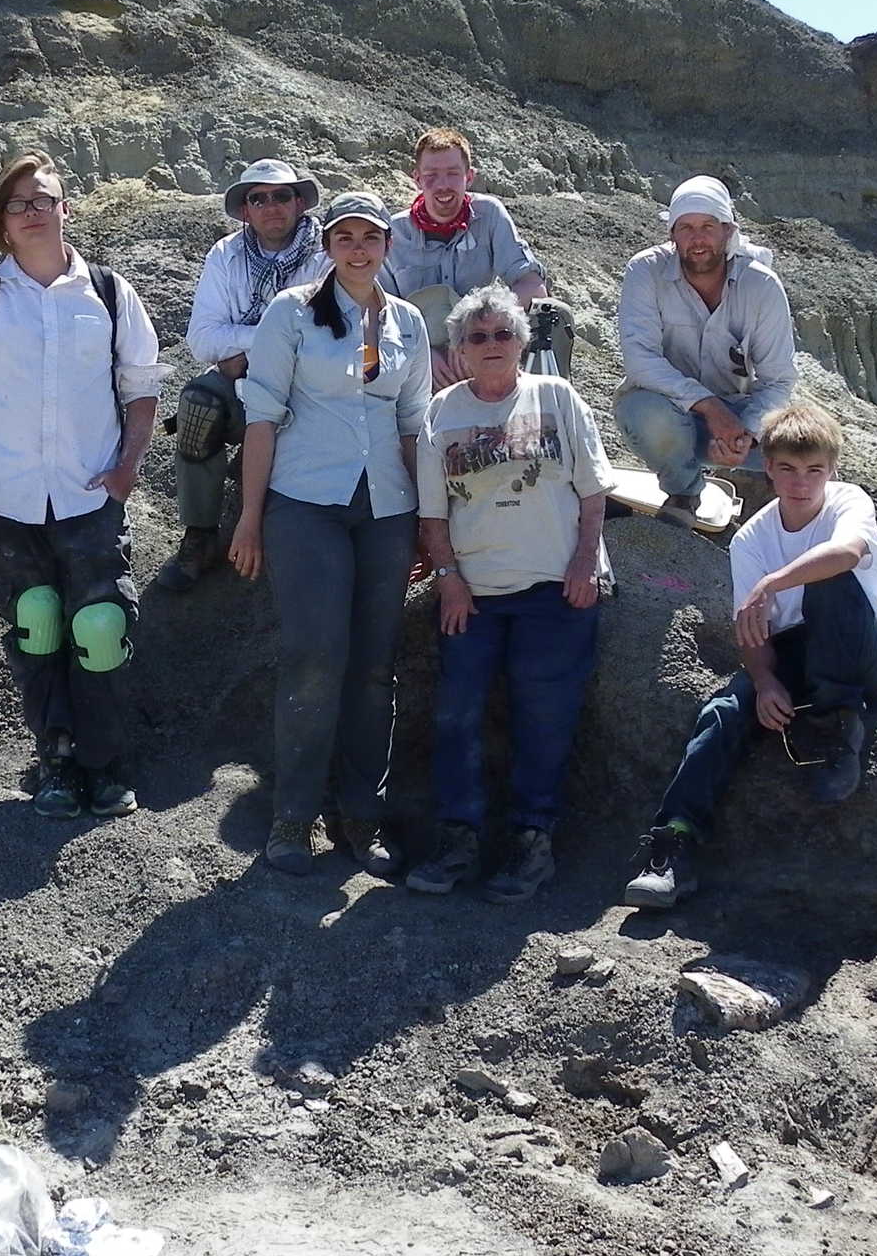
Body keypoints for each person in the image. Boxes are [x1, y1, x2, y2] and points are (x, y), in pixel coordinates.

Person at [0, 151, 166, 821]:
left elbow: (143, 384)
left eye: (45, 199)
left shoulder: (112, 294)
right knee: (37, 625)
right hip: (8, 505)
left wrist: (127, 468)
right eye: (18, 203)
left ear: (66, 209)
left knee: (99, 625)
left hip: (90, 500)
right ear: (2, 222)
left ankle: (103, 762)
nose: (34, 211)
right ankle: (56, 759)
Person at [625, 401, 877, 910]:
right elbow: (751, 627)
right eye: (788, 469)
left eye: (814, 470)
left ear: (831, 470)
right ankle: (673, 844)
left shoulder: (849, 502)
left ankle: (840, 719)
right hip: (797, 648)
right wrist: (767, 682)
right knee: (724, 711)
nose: (801, 482)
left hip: (863, 648)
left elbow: (848, 554)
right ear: (768, 469)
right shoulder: (752, 538)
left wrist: (776, 581)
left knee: (829, 580)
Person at [228, 193, 432, 876]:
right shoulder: (291, 313)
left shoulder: (406, 323)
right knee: (315, 653)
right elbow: (261, 417)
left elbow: (413, 425)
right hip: (305, 502)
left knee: (375, 667)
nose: (356, 249)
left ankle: (361, 816)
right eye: (344, 237)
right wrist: (250, 518)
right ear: (327, 246)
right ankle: (293, 816)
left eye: (368, 238)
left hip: (387, 508)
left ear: (386, 246)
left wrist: (429, 523)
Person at [409, 283, 615, 904]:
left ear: (523, 342)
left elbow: (593, 490)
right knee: (457, 714)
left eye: (503, 334)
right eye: (478, 337)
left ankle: (532, 841)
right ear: (459, 350)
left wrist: (585, 563)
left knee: (544, 716)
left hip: (555, 589)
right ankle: (458, 838)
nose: (492, 345)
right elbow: (433, 515)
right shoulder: (441, 414)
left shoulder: (557, 397)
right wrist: (448, 580)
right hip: (475, 593)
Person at [160, 157, 328, 591]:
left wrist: (246, 346)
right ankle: (200, 532)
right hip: (241, 386)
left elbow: (321, 332)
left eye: (282, 196)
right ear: (245, 209)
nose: (272, 205)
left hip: (308, 386)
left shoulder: (327, 252)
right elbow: (201, 339)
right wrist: (273, 339)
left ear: (299, 202)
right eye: (259, 198)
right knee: (197, 405)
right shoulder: (225, 254)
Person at [614, 175, 799, 528]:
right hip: (671, 410)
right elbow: (640, 361)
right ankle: (684, 491)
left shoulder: (760, 286)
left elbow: (778, 380)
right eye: (685, 228)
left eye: (707, 226)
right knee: (640, 409)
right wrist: (710, 408)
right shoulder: (646, 272)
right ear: (672, 234)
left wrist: (744, 432)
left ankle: (784, 521)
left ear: (727, 231)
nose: (697, 239)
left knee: (805, 449)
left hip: (738, 412)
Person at [384, 127, 572, 388]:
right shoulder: (393, 233)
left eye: (453, 174)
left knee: (553, 314)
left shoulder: (490, 214)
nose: (443, 185)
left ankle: (548, 415)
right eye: (431, 175)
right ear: (416, 178)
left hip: (484, 338)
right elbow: (379, 312)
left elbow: (533, 286)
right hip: (420, 351)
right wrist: (422, 352)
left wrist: (481, 332)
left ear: (469, 177)